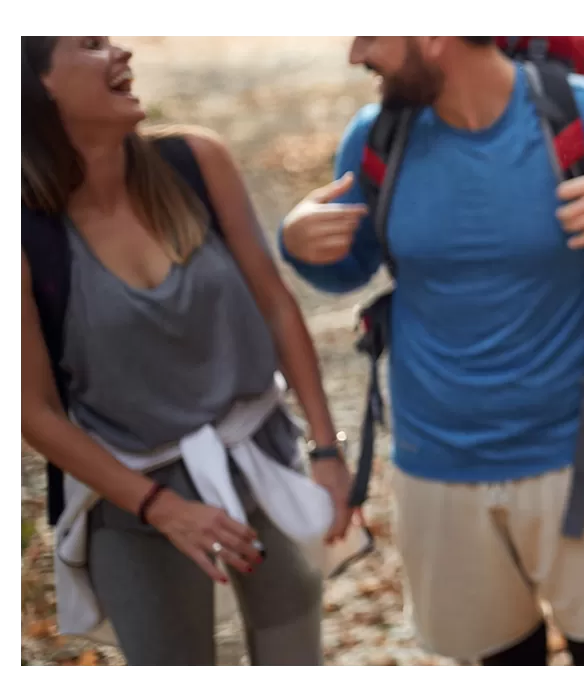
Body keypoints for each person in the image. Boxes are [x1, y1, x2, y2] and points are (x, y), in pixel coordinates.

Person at [275, 36, 584, 666]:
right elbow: (348, 270)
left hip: (576, 451)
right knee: (503, 658)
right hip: (438, 466)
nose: (355, 56)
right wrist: (297, 242)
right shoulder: (378, 140)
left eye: (369, 38)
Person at [20, 35, 351, 665]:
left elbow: (276, 304)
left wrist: (328, 450)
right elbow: (35, 412)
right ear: (40, 84)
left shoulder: (196, 161)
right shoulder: (31, 231)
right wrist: (162, 509)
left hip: (261, 467)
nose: (121, 53)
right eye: (92, 45)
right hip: (132, 505)